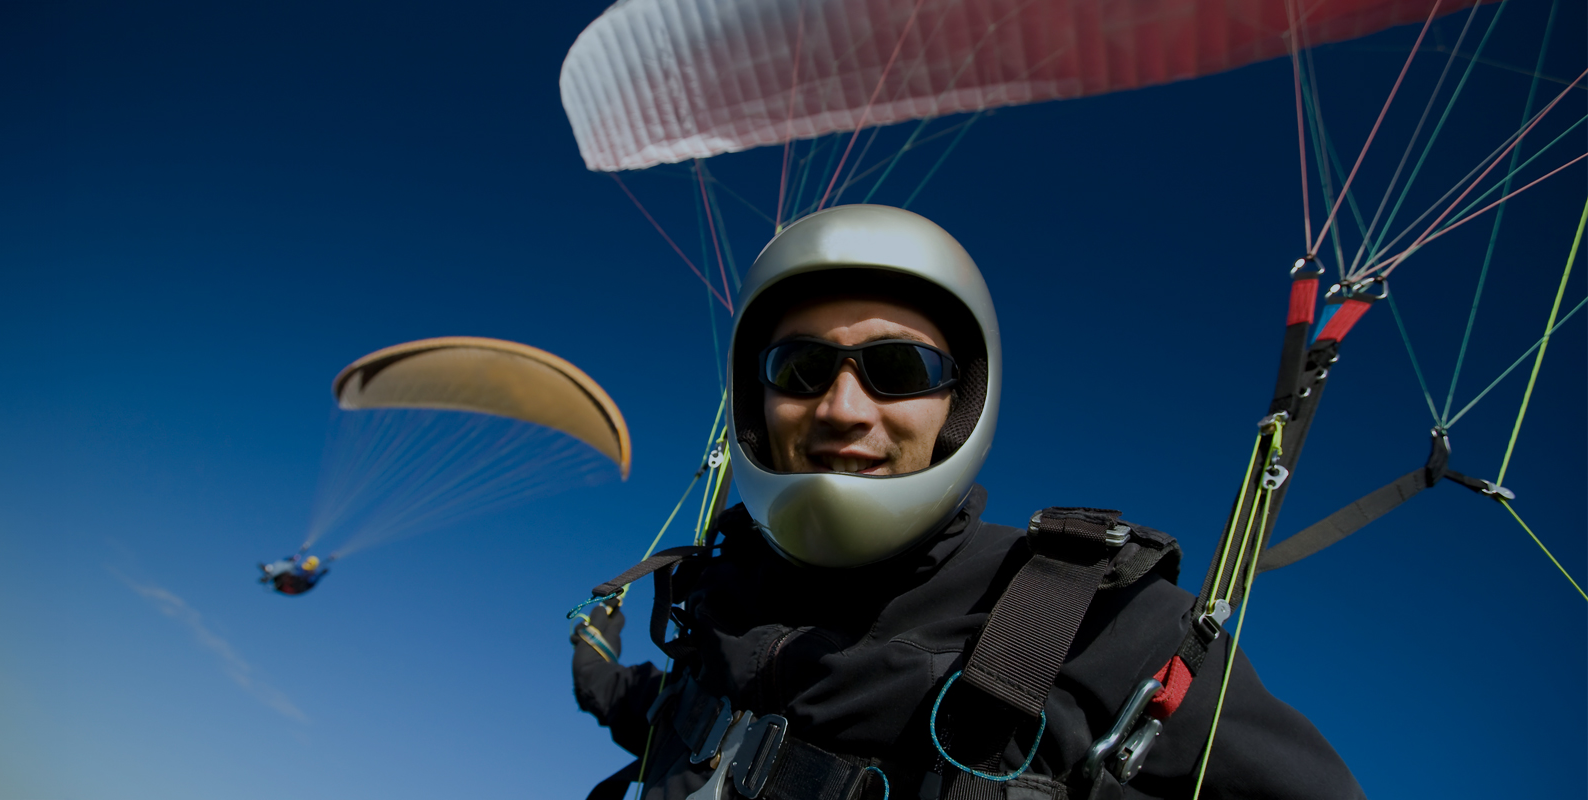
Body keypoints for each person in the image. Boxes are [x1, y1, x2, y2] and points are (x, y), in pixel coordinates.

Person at [571, 205, 1361, 800]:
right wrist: (597, 661)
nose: (844, 407)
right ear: (755, 400)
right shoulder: (720, 595)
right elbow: (669, 709)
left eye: (901, 369)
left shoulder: (1102, 624)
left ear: (959, 404)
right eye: (801, 366)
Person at [259, 553, 327, 596]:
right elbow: (289, 564)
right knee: (287, 566)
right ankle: (270, 571)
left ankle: (270, 572)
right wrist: (292, 559)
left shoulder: (308, 576)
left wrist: (320, 574)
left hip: (294, 587)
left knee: (288, 566)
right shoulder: (298, 570)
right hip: (286, 584)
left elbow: (311, 582)